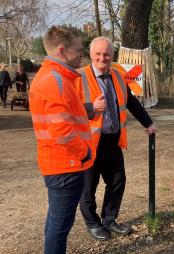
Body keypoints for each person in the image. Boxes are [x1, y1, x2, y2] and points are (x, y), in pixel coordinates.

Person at [76, 36, 156, 241]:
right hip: (87, 143)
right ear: (91, 55)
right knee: (88, 187)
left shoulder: (119, 76)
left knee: (118, 181)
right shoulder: (78, 77)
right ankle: (92, 224)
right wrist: (91, 108)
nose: (102, 58)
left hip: (112, 141)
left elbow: (131, 102)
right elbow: (68, 111)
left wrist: (148, 123)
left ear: (112, 55)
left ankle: (109, 220)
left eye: (106, 54)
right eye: (98, 54)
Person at [28, 26, 95, 254]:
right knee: (59, 227)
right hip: (66, 165)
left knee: (56, 222)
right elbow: (62, 130)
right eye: (78, 49)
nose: (81, 54)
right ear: (61, 50)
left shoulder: (54, 77)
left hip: (59, 163)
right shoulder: (55, 81)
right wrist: (84, 151)